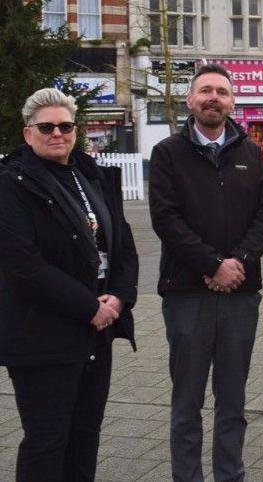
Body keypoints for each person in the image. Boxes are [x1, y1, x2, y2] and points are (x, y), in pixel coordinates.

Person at [148, 63, 263, 482]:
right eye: (205, 90)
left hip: (240, 294)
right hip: (187, 293)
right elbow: (166, 220)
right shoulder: (168, 153)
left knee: (232, 400)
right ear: (190, 99)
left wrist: (237, 262)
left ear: (232, 101)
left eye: (222, 92)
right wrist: (212, 265)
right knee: (187, 401)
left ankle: (230, 475)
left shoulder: (250, 152)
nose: (213, 98)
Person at [0, 87, 138, 481]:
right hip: (43, 333)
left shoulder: (91, 175)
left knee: (85, 434)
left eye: (65, 125)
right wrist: (89, 307)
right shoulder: (12, 182)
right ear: (28, 134)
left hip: (98, 329)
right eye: (46, 127)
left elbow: (123, 246)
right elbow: (22, 264)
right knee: (47, 439)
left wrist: (121, 299)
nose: (57, 133)